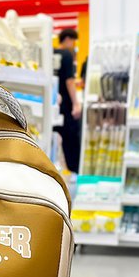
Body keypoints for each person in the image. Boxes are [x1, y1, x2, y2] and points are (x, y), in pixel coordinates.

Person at [53, 27, 82, 173]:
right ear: (68, 40)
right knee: (71, 138)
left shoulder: (50, 53)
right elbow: (70, 81)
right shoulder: (67, 55)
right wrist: (76, 103)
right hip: (66, 104)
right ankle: (73, 169)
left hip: (52, 103)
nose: (74, 45)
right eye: (74, 41)